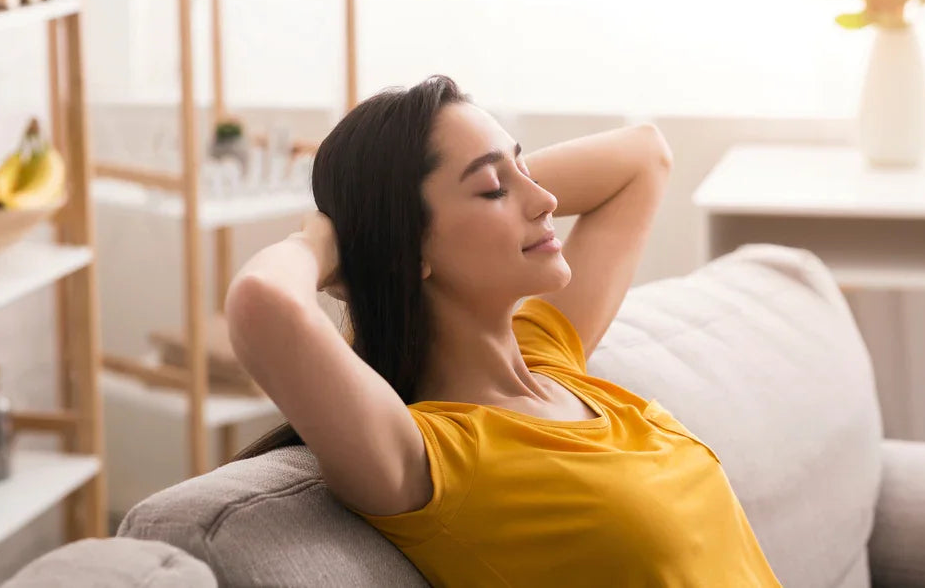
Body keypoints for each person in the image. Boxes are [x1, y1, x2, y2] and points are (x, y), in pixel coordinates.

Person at [224, 75, 781, 586]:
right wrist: (333, 240)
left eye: (527, 173)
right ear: (408, 248)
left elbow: (644, 154)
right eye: (494, 188)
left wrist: (499, 182)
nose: (547, 201)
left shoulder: (548, 356)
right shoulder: (435, 457)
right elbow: (262, 304)